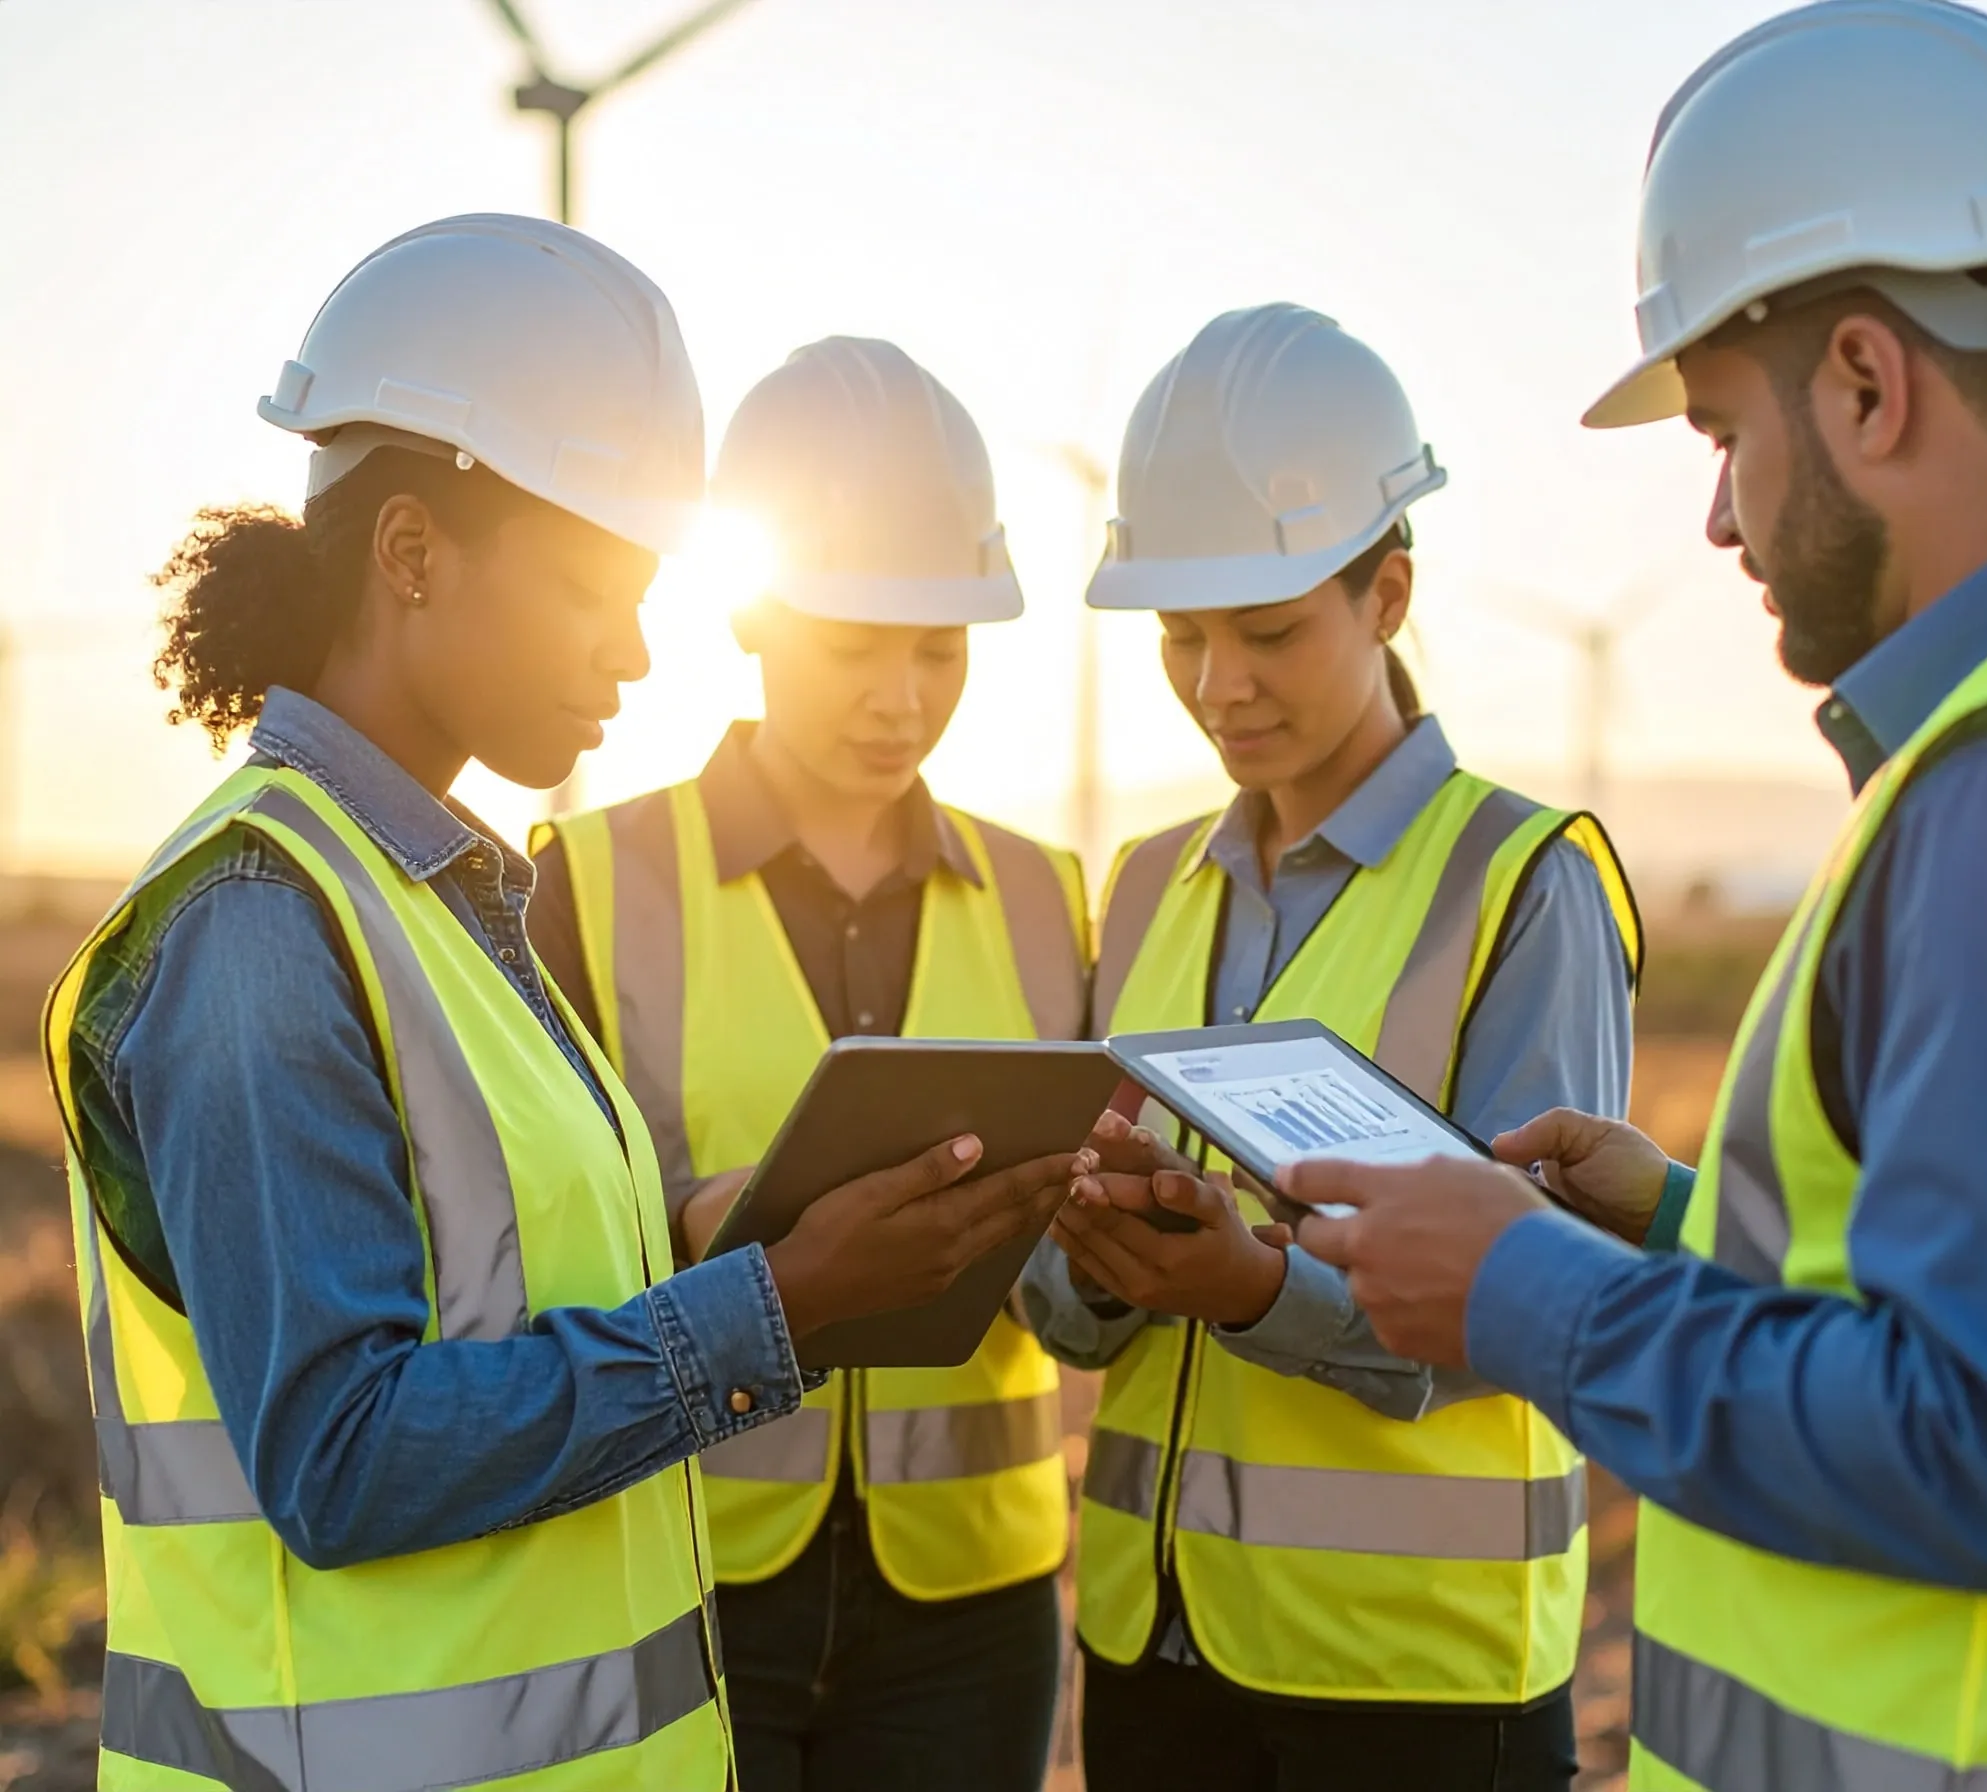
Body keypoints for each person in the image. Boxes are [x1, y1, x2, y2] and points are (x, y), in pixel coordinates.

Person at [1279, 6, 1987, 1789]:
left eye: (1720, 432)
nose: (1721, 525)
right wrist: (1677, 1219)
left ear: (1864, 384)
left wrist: (1527, 1294)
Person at [43, 218, 1077, 1792]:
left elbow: (508, 1302)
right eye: (600, 587)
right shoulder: (259, 926)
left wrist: (739, 1236)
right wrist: (784, 1305)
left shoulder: (440, 904)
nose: (640, 651)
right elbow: (345, 1454)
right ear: (411, 553)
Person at [1020, 302, 1643, 1792]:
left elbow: (1534, 1306)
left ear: (1388, 594)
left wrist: (1254, 1289)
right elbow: (1073, 1299)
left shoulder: (1523, 880)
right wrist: (1087, 1260)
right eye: (1181, 636)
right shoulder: (1147, 879)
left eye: (1271, 630)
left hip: (1413, 1683)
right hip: (1153, 1654)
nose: (1219, 684)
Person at [525, 336, 1083, 1792]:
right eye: (859, 649)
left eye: (942, 650)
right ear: (754, 616)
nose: (905, 697)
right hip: (690, 1568)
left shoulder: (1049, 896)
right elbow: (539, 1238)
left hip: (975, 1606)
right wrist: (702, 1222)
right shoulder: (586, 880)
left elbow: (1066, 1262)